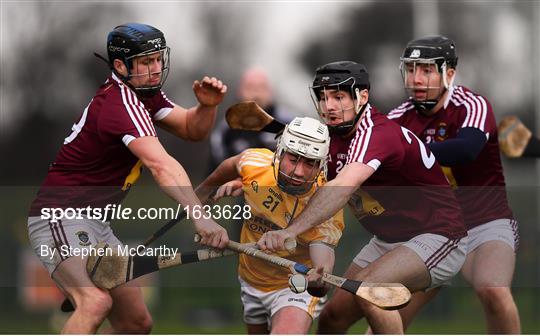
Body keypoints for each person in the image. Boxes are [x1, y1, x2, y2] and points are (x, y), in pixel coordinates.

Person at [27, 23, 229, 334]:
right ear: (120, 66)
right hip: (60, 216)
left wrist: (206, 106)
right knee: (94, 302)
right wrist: (200, 218)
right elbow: (160, 165)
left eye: (158, 59)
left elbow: (192, 129)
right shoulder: (120, 103)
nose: (156, 68)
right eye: (146, 62)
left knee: (135, 323)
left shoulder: (146, 96)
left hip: (96, 224)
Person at [256, 61, 469, 334]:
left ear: (362, 97)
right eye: (323, 97)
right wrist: (246, 182)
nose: (329, 106)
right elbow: (320, 201)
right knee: (332, 319)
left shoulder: (376, 133)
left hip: (440, 235)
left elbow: (342, 186)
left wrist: (292, 231)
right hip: (388, 241)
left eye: (338, 97)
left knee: (371, 290)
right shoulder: (331, 139)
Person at [386, 34, 520, 333]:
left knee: (493, 289)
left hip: (486, 223)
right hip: (433, 232)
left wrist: (407, 153)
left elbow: (466, 150)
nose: (417, 78)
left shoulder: (473, 105)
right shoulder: (398, 118)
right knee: (387, 311)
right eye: (411, 69)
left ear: (449, 73)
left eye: (427, 70)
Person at [197, 117, 344, 334]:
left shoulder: (327, 202)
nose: (299, 172)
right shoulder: (255, 163)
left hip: (295, 286)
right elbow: (230, 166)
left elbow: (323, 252)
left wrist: (322, 274)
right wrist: (198, 200)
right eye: (293, 159)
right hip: (250, 279)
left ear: (321, 165)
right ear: (280, 152)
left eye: (310, 163)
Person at [208, 66, 293, 171]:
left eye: (262, 87)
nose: (256, 93)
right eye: (250, 87)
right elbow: (216, 171)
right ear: (239, 91)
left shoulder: (289, 125)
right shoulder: (226, 129)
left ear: (271, 92)